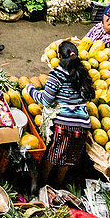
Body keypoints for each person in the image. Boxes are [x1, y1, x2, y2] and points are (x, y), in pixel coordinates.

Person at [27, 40, 96, 186]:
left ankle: (43, 186)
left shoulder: (56, 74)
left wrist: (30, 90)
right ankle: (58, 186)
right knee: (67, 159)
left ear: (59, 56)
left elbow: (46, 100)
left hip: (65, 125)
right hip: (83, 125)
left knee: (52, 157)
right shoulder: (82, 72)